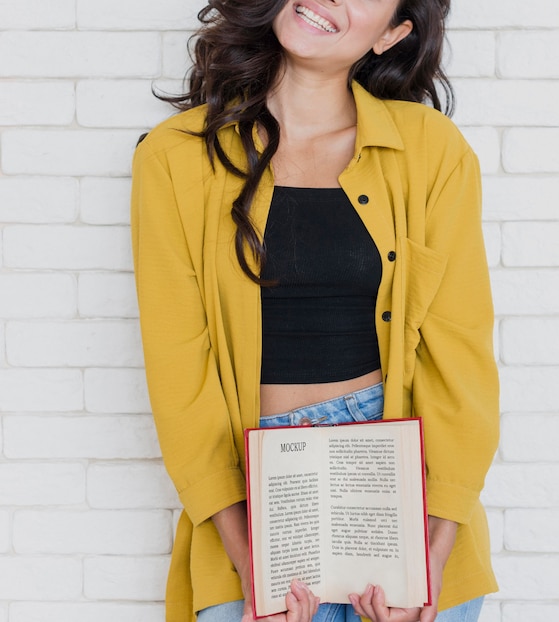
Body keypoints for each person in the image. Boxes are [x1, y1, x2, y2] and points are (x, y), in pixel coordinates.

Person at [131, 0, 500, 621]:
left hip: (398, 483)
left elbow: (461, 357)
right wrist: (253, 562)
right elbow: (178, 373)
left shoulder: (432, 151)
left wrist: (428, 564)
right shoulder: (174, 157)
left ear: (393, 33)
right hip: (253, 489)